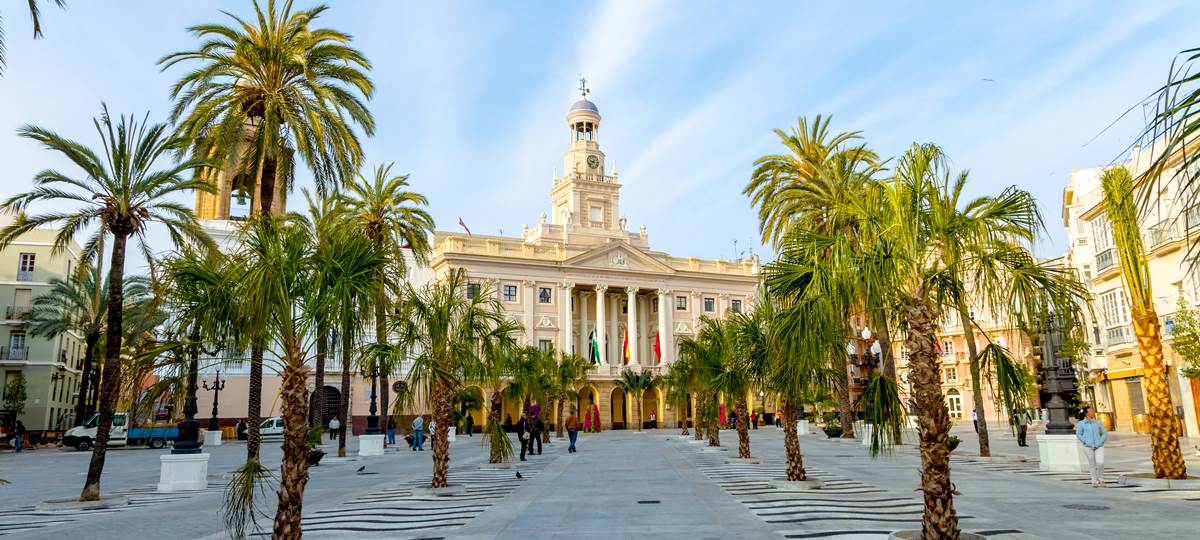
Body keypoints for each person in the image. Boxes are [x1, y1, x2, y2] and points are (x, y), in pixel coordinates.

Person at [1075, 406, 1109, 487]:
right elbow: (1078, 434)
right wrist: (1085, 441)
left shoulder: (1098, 423)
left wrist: (1100, 442)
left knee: (1100, 462)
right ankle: (1094, 481)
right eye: (1090, 411)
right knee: (1092, 464)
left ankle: (1101, 479)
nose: (1093, 412)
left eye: (1093, 411)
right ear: (1086, 413)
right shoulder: (1081, 424)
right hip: (1088, 447)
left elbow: (1105, 433)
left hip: (1099, 446)